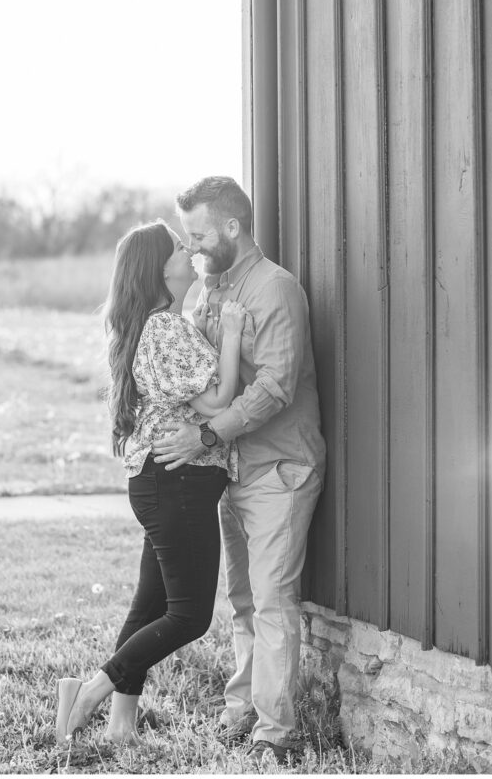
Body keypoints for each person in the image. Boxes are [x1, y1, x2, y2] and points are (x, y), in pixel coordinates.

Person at [152, 177, 326, 765]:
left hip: (279, 468)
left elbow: (274, 388)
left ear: (232, 227)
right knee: (244, 598)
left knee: (274, 599)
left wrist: (204, 434)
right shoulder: (207, 292)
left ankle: (277, 734)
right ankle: (243, 708)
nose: (194, 246)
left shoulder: (275, 290)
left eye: (200, 234)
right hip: (230, 470)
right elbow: (203, 379)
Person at [56, 220, 246, 746]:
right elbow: (218, 401)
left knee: (148, 608)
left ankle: (121, 726)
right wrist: (231, 334)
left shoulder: (158, 326)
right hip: (177, 485)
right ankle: (91, 692)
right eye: (180, 248)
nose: (190, 252)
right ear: (161, 270)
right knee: (189, 616)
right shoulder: (166, 329)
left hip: (161, 485)